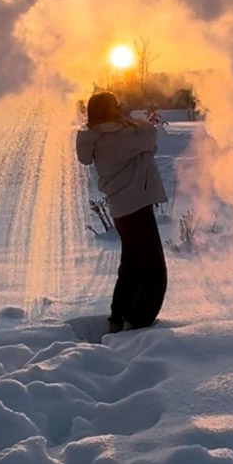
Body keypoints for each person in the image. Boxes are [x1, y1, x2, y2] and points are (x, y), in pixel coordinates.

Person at [76, 91, 167, 334]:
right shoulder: (122, 135)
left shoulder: (96, 137)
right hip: (136, 207)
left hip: (123, 210)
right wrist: (127, 117)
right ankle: (136, 326)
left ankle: (118, 319)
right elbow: (151, 133)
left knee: (131, 267)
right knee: (154, 273)